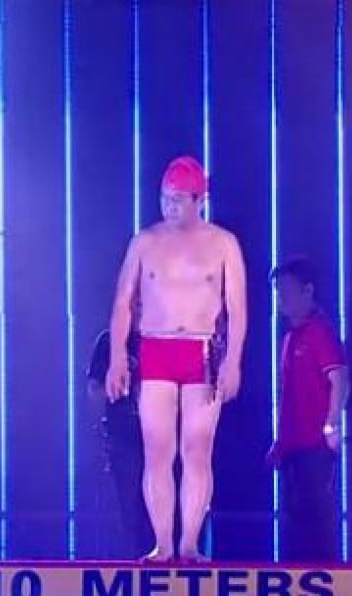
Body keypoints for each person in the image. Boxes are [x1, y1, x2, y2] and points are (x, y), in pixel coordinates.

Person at [106, 156, 247, 563]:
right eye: (165, 198)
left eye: (179, 200)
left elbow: (237, 308)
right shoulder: (144, 242)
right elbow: (123, 303)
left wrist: (233, 361)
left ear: (200, 200)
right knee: (157, 450)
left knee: (197, 450)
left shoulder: (223, 244)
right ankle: (163, 543)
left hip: (201, 350)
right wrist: (117, 356)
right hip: (156, 348)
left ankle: (189, 543)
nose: (169, 207)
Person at [267, 256, 350, 562]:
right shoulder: (290, 338)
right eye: (278, 291)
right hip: (292, 447)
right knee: (296, 520)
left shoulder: (320, 333)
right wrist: (280, 441)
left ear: (308, 290)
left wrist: (331, 425)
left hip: (314, 445)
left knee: (316, 518)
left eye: (286, 290)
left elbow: (340, 379)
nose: (281, 298)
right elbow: (287, 396)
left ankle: (325, 576)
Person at [85, 325, 152, 558]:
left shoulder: (162, 338)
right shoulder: (110, 341)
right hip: (124, 441)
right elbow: (94, 389)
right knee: (129, 510)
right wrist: (118, 388)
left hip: (163, 441)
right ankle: (131, 562)